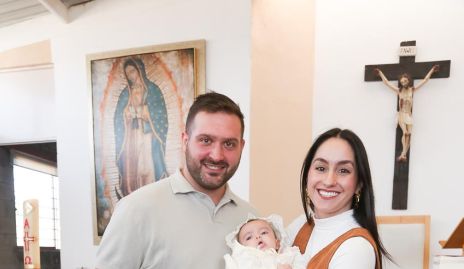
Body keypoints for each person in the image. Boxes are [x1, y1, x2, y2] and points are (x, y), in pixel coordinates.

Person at [96, 92, 257, 269]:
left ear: (241, 147)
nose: (217, 155)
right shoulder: (136, 210)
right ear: (185, 141)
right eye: (205, 140)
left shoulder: (251, 220)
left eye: (229, 144)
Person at [287, 128, 392, 269]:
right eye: (321, 168)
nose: (329, 181)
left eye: (343, 170)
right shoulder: (301, 225)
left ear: (359, 184)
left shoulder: (356, 249)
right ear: (307, 175)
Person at [114, 57, 169, 197]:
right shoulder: (125, 93)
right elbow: (118, 116)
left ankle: (150, 194)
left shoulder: (152, 90)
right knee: (132, 165)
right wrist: (125, 115)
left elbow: (160, 113)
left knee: (146, 165)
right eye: (128, 74)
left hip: (147, 134)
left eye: (133, 71)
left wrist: (148, 113)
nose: (131, 76)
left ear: (140, 70)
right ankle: (131, 193)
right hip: (131, 135)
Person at [375, 65, 439, 161]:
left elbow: (425, 80)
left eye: (405, 81)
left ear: (408, 81)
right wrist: (380, 73)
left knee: (409, 134)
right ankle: (402, 154)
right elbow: (387, 83)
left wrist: (432, 70)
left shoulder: (412, 90)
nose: (403, 83)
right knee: (405, 133)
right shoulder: (399, 91)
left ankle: (404, 154)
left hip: (409, 115)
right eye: (402, 82)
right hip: (401, 114)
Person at [224, 214, 305, 269]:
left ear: (277, 243)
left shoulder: (288, 256)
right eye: (249, 237)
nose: (258, 236)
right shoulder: (245, 260)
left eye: (263, 232)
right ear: (241, 248)